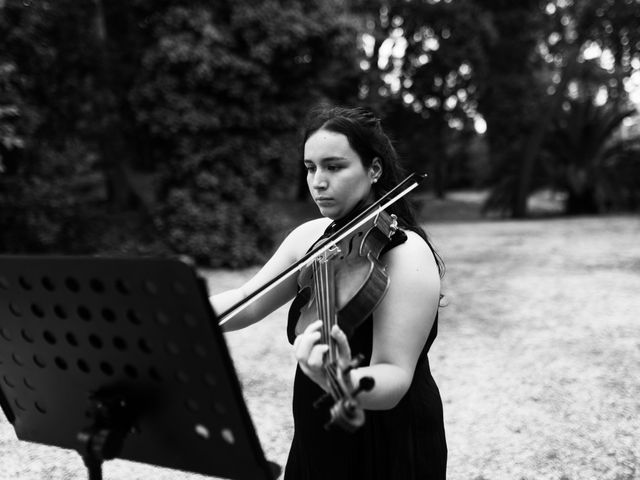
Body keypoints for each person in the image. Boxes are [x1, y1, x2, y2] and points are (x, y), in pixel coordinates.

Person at [210, 106, 447, 479]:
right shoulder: (310, 237)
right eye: (310, 167)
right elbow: (246, 301)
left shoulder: (407, 255)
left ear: (374, 170)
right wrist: (181, 314)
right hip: (319, 425)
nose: (318, 181)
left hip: (386, 437)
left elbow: (395, 378)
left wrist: (338, 381)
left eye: (334, 167)